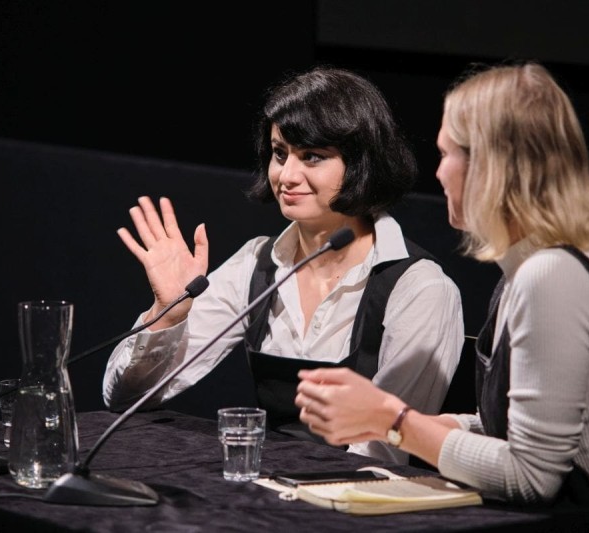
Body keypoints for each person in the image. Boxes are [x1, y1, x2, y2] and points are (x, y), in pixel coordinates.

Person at [295, 62, 589, 531]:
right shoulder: (547, 270)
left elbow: (532, 476)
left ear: (491, 165)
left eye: (446, 152)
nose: (438, 171)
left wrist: (396, 421)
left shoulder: (549, 278)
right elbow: (521, 433)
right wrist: (405, 423)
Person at [102, 65, 464, 463]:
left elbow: (383, 452)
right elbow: (124, 399)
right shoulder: (257, 263)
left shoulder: (419, 288)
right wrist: (167, 315)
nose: (287, 175)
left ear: (362, 164)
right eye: (279, 154)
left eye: (312, 156)